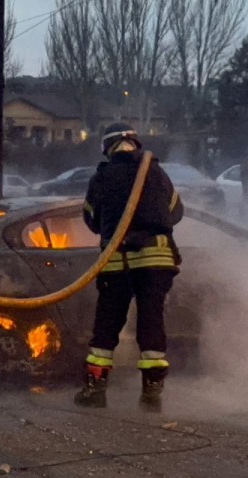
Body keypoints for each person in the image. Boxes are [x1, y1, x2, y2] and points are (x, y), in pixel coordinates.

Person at [75, 124, 184, 409]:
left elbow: (90, 219)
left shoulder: (102, 177)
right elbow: (175, 212)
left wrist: (117, 225)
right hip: (157, 260)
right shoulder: (157, 173)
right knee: (151, 319)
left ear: (107, 147)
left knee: (108, 323)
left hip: (117, 259)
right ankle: (152, 391)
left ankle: (95, 389)